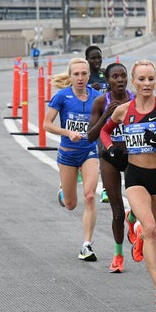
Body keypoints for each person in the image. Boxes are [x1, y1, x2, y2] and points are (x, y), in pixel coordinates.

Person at [99, 59, 156, 311]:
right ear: (133, 82)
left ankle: (135, 230)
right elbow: (105, 132)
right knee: (149, 228)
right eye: (142, 79)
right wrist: (111, 148)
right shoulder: (123, 110)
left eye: (151, 79)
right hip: (135, 175)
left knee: (153, 233)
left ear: (155, 80)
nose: (146, 84)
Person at [43, 57, 102, 262]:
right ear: (70, 76)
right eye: (76, 74)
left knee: (90, 196)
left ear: (88, 75)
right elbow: (46, 124)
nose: (80, 78)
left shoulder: (98, 97)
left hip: (89, 152)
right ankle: (64, 191)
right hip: (67, 153)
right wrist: (67, 132)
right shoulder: (62, 96)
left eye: (84, 74)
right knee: (70, 204)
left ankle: (86, 244)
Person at [87, 62, 135, 273]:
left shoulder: (136, 99)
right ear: (108, 81)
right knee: (116, 210)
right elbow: (90, 136)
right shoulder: (100, 101)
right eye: (115, 76)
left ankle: (132, 216)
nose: (120, 80)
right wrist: (107, 115)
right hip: (109, 156)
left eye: (123, 75)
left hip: (133, 155)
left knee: (140, 204)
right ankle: (118, 255)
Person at [84, 45, 109, 202]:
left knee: (103, 153)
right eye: (93, 58)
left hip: (106, 120)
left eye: (99, 57)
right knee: (83, 153)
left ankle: (106, 189)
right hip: (88, 119)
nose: (97, 61)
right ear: (87, 60)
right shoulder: (84, 76)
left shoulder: (105, 73)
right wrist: (89, 89)